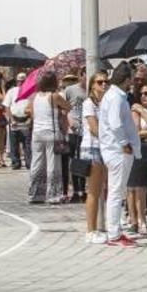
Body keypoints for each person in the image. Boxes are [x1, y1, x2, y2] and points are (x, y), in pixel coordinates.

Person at [99, 63, 141, 247]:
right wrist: (124, 143)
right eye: (131, 77)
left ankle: (115, 230)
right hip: (118, 150)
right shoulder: (116, 97)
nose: (133, 81)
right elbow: (115, 123)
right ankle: (114, 234)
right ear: (126, 80)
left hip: (116, 149)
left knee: (118, 191)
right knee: (116, 191)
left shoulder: (115, 95)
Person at [26, 71, 71, 204]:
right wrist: (61, 112)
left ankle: (35, 194)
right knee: (53, 164)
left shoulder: (35, 97)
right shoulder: (54, 96)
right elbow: (68, 106)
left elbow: (31, 113)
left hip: (37, 133)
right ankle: (53, 195)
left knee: (37, 163)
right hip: (51, 132)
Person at [127, 83, 147, 235]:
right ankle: (139, 220)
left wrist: (145, 114)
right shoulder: (135, 110)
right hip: (141, 147)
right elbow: (137, 131)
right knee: (137, 187)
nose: (144, 96)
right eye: (142, 94)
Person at [82, 72, 109, 244]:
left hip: (104, 147)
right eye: (100, 82)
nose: (103, 85)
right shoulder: (88, 103)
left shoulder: (105, 102)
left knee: (103, 189)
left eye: (106, 82)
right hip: (92, 147)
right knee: (93, 191)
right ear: (92, 85)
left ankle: (102, 226)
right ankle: (90, 230)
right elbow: (94, 128)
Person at [64, 69, 87, 202]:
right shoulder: (70, 90)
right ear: (80, 76)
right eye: (85, 76)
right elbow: (65, 107)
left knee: (83, 160)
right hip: (74, 129)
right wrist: (69, 120)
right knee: (73, 159)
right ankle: (75, 191)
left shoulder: (92, 90)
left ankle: (82, 190)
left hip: (86, 130)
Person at [3, 72, 31, 170]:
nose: (21, 83)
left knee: (27, 144)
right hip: (15, 120)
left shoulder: (30, 91)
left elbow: (33, 106)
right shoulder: (11, 91)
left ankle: (28, 162)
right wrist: (11, 119)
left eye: (23, 81)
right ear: (16, 81)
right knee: (14, 144)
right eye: (19, 81)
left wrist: (30, 119)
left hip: (26, 119)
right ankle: (15, 162)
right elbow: (7, 106)